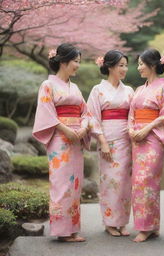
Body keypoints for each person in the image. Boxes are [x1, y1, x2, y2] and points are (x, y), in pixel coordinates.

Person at [33, 43, 101, 242]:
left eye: (79, 62)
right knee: (61, 183)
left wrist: (83, 128)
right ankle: (61, 230)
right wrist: (67, 130)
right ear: (63, 62)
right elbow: (46, 112)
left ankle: (72, 229)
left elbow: (86, 113)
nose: (78, 65)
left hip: (76, 139)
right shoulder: (48, 85)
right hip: (59, 140)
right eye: (76, 61)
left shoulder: (76, 87)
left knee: (75, 183)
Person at [128, 48, 164, 242]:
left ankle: (146, 227)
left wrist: (146, 129)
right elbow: (131, 113)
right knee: (137, 181)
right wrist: (131, 129)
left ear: (153, 65)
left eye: (141, 64)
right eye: (138, 64)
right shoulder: (139, 89)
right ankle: (151, 225)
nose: (139, 67)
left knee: (148, 181)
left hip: (153, 138)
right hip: (137, 139)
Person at [87, 50, 134, 237]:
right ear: (109, 67)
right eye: (120, 65)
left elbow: (133, 116)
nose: (124, 69)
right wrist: (102, 141)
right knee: (109, 181)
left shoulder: (129, 90)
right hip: (107, 140)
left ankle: (122, 222)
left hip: (126, 140)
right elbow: (92, 117)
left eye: (125, 65)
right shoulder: (97, 90)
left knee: (124, 181)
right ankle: (109, 222)